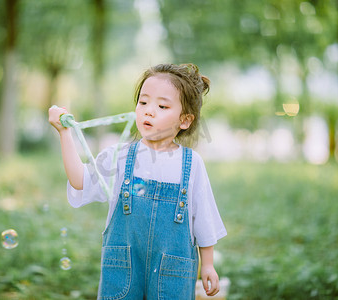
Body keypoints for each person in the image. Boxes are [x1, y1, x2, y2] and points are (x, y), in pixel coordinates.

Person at [49, 63, 227, 299]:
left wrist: (207, 264)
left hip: (172, 272)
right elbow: (80, 181)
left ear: (185, 120)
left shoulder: (192, 163)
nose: (149, 111)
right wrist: (64, 134)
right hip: (123, 269)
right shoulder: (121, 156)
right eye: (143, 102)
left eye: (162, 106)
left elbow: (203, 219)